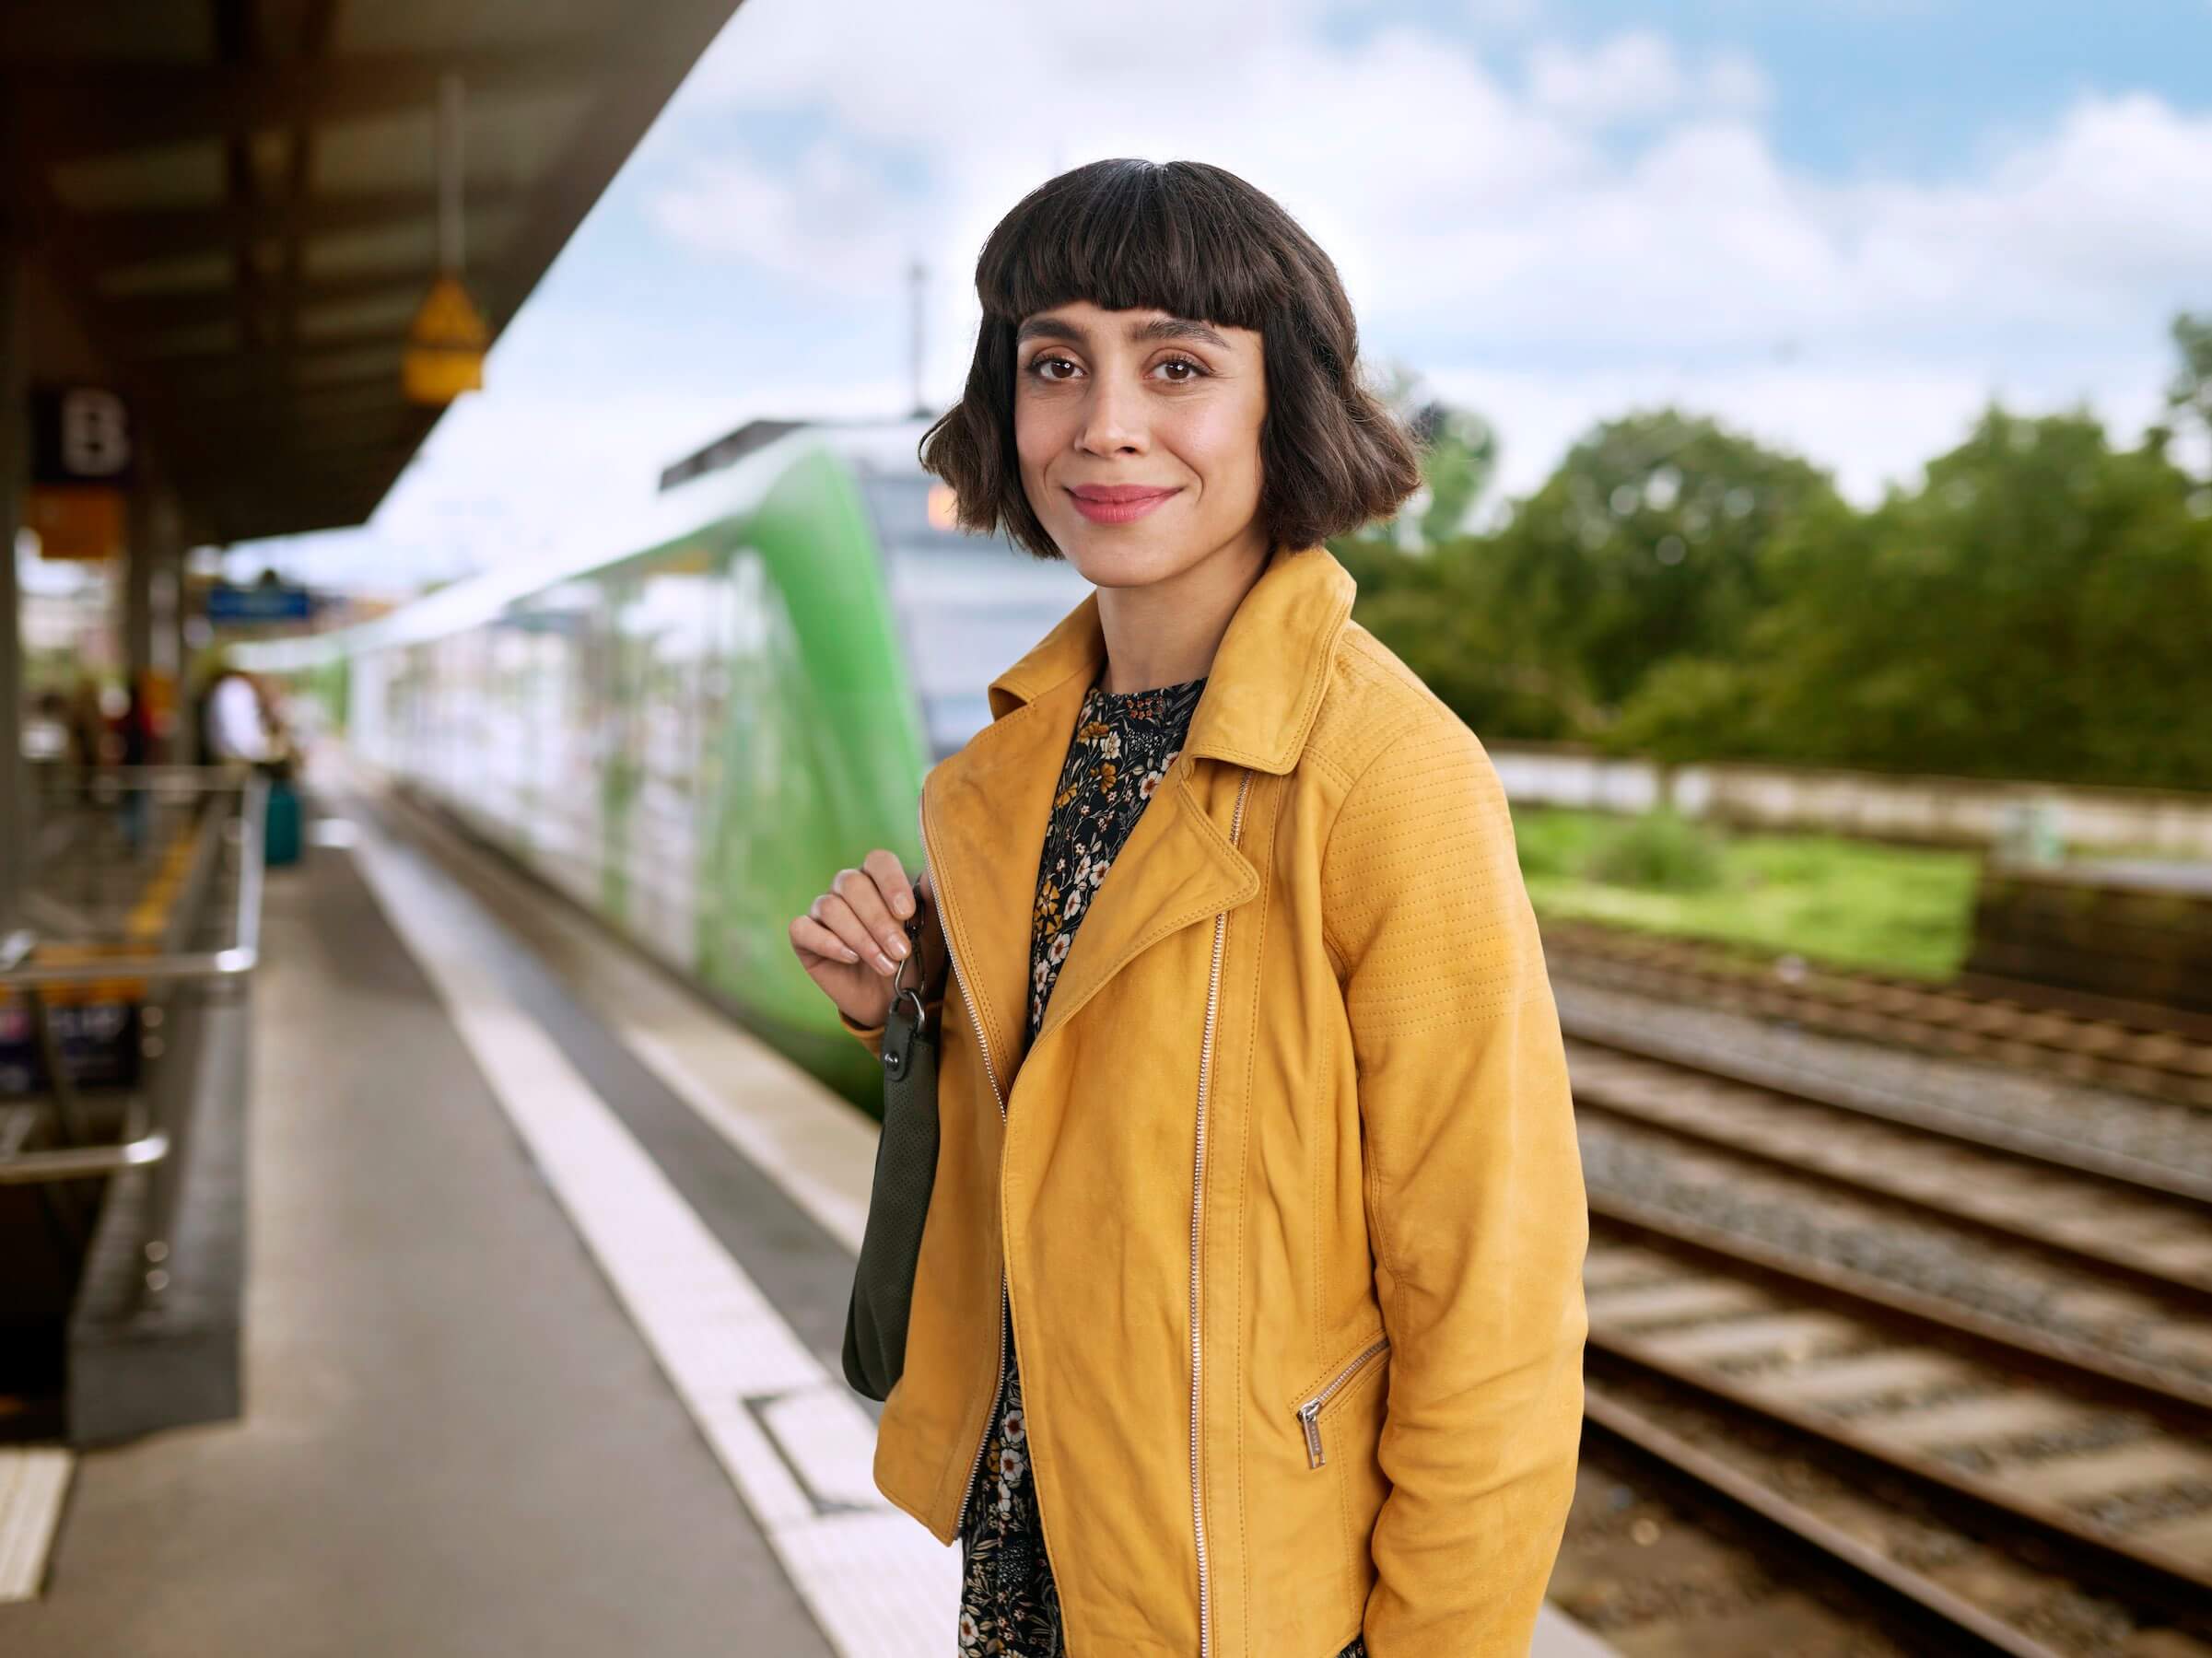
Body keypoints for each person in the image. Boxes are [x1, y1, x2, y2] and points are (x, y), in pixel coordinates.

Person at [790, 158, 1588, 1658]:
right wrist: (904, 1020)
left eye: (1176, 366)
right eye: (1052, 364)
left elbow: (1493, 1300)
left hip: (1256, 1597)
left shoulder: (1387, 776)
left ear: (1281, 407)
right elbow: (1091, 1143)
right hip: (1043, 1545)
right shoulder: (1019, 759)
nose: (1103, 423)